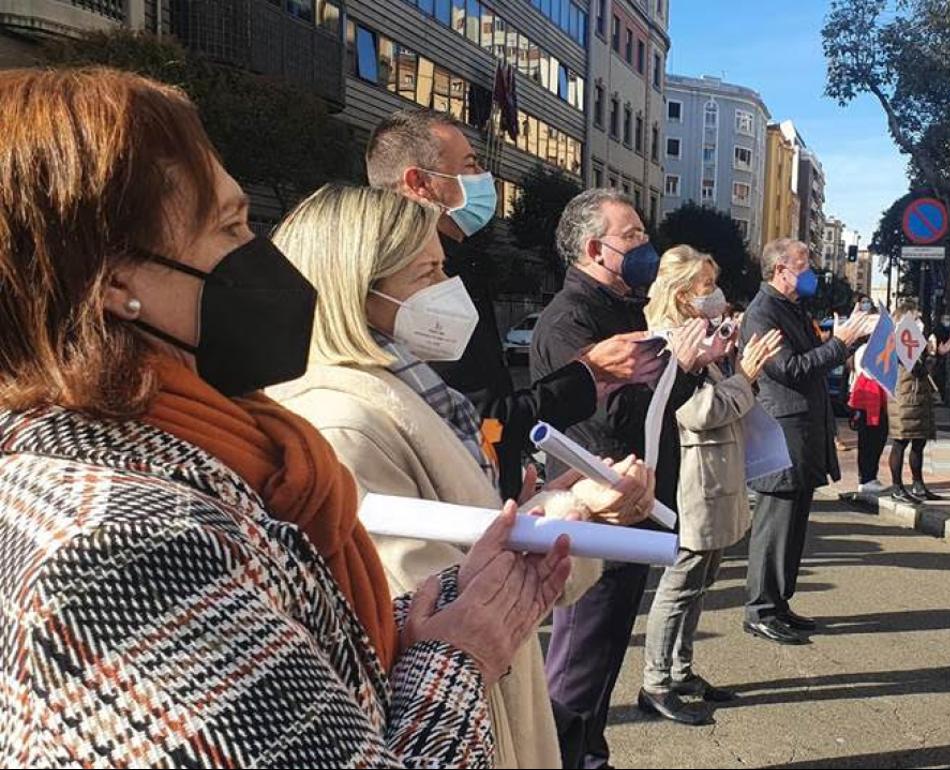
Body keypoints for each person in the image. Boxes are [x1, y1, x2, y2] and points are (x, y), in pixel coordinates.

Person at [0, 67, 568, 766]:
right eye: (231, 226)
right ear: (117, 282)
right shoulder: (121, 544)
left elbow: (294, 653)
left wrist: (464, 594)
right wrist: (462, 654)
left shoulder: (188, 444)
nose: (261, 255)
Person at [266, 184, 659, 767]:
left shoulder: (410, 388)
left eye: (442, 269)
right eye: (425, 274)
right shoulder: (345, 423)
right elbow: (439, 612)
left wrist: (556, 497)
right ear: (356, 287)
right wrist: (580, 515)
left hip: (488, 702)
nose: (448, 290)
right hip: (466, 721)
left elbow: (468, 544)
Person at [365, 108, 663, 500]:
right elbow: (483, 416)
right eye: (470, 165)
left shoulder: (462, 265)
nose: (482, 178)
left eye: (439, 267)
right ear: (419, 183)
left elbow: (489, 419)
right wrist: (589, 374)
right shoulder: (406, 290)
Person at [530, 189, 705, 769]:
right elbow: (604, 416)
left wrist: (687, 367)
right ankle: (564, 757)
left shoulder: (624, 306)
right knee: (577, 664)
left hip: (630, 503)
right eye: (630, 236)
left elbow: (654, 406)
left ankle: (588, 754)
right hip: (592, 512)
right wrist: (676, 367)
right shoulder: (570, 319)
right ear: (593, 247)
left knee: (601, 661)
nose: (645, 246)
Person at [637, 246, 783, 725]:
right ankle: (655, 682)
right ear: (682, 294)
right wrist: (744, 376)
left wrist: (735, 368)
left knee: (702, 582)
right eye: (706, 286)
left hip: (716, 477)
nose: (715, 294)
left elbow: (722, 400)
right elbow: (698, 413)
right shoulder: (667, 343)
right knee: (680, 582)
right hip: (693, 482)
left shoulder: (701, 337)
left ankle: (681, 670)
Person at [741, 238, 874, 646]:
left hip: (801, 430)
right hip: (781, 431)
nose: (810, 269)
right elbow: (789, 369)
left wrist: (842, 340)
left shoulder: (791, 308)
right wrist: (840, 344)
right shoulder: (762, 312)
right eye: (803, 263)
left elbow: (811, 358)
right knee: (775, 521)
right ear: (781, 269)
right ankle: (760, 609)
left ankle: (779, 603)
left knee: (794, 522)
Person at [887, 301, 950, 503]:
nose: (919, 322)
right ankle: (897, 486)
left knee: (919, 441)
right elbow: (917, 369)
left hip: (919, 396)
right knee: (901, 441)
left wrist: (936, 354)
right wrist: (933, 355)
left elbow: (926, 370)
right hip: (905, 396)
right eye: (915, 318)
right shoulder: (899, 340)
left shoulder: (918, 341)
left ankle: (918, 485)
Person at [848, 343, 890, 496]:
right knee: (868, 441)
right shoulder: (865, 349)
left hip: (878, 397)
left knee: (878, 438)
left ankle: (871, 476)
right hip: (867, 398)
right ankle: (866, 478)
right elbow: (869, 372)